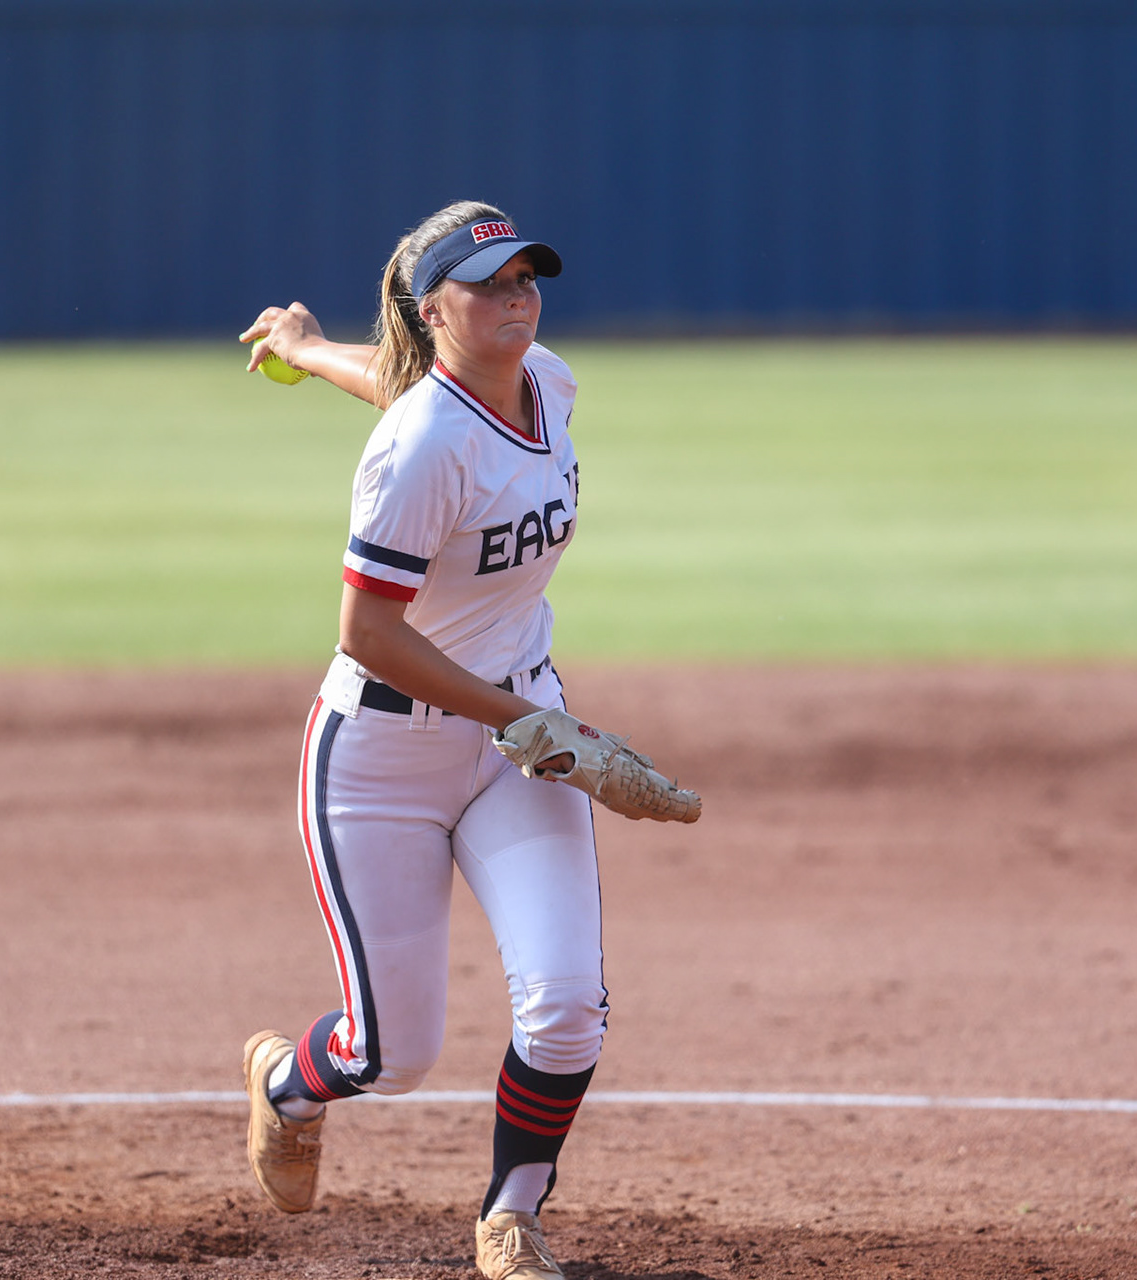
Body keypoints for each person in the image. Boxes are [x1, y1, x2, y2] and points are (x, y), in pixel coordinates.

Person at [236, 201, 687, 1280]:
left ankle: (511, 1218)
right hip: (382, 760)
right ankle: (283, 1087)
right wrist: (532, 722)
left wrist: (302, 349)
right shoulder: (413, 448)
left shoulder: (548, 382)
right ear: (431, 307)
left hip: (517, 739)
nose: (518, 295)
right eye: (487, 283)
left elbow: (406, 388)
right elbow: (369, 632)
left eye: (527, 275)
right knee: (391, 1053)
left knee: (570, 1005)